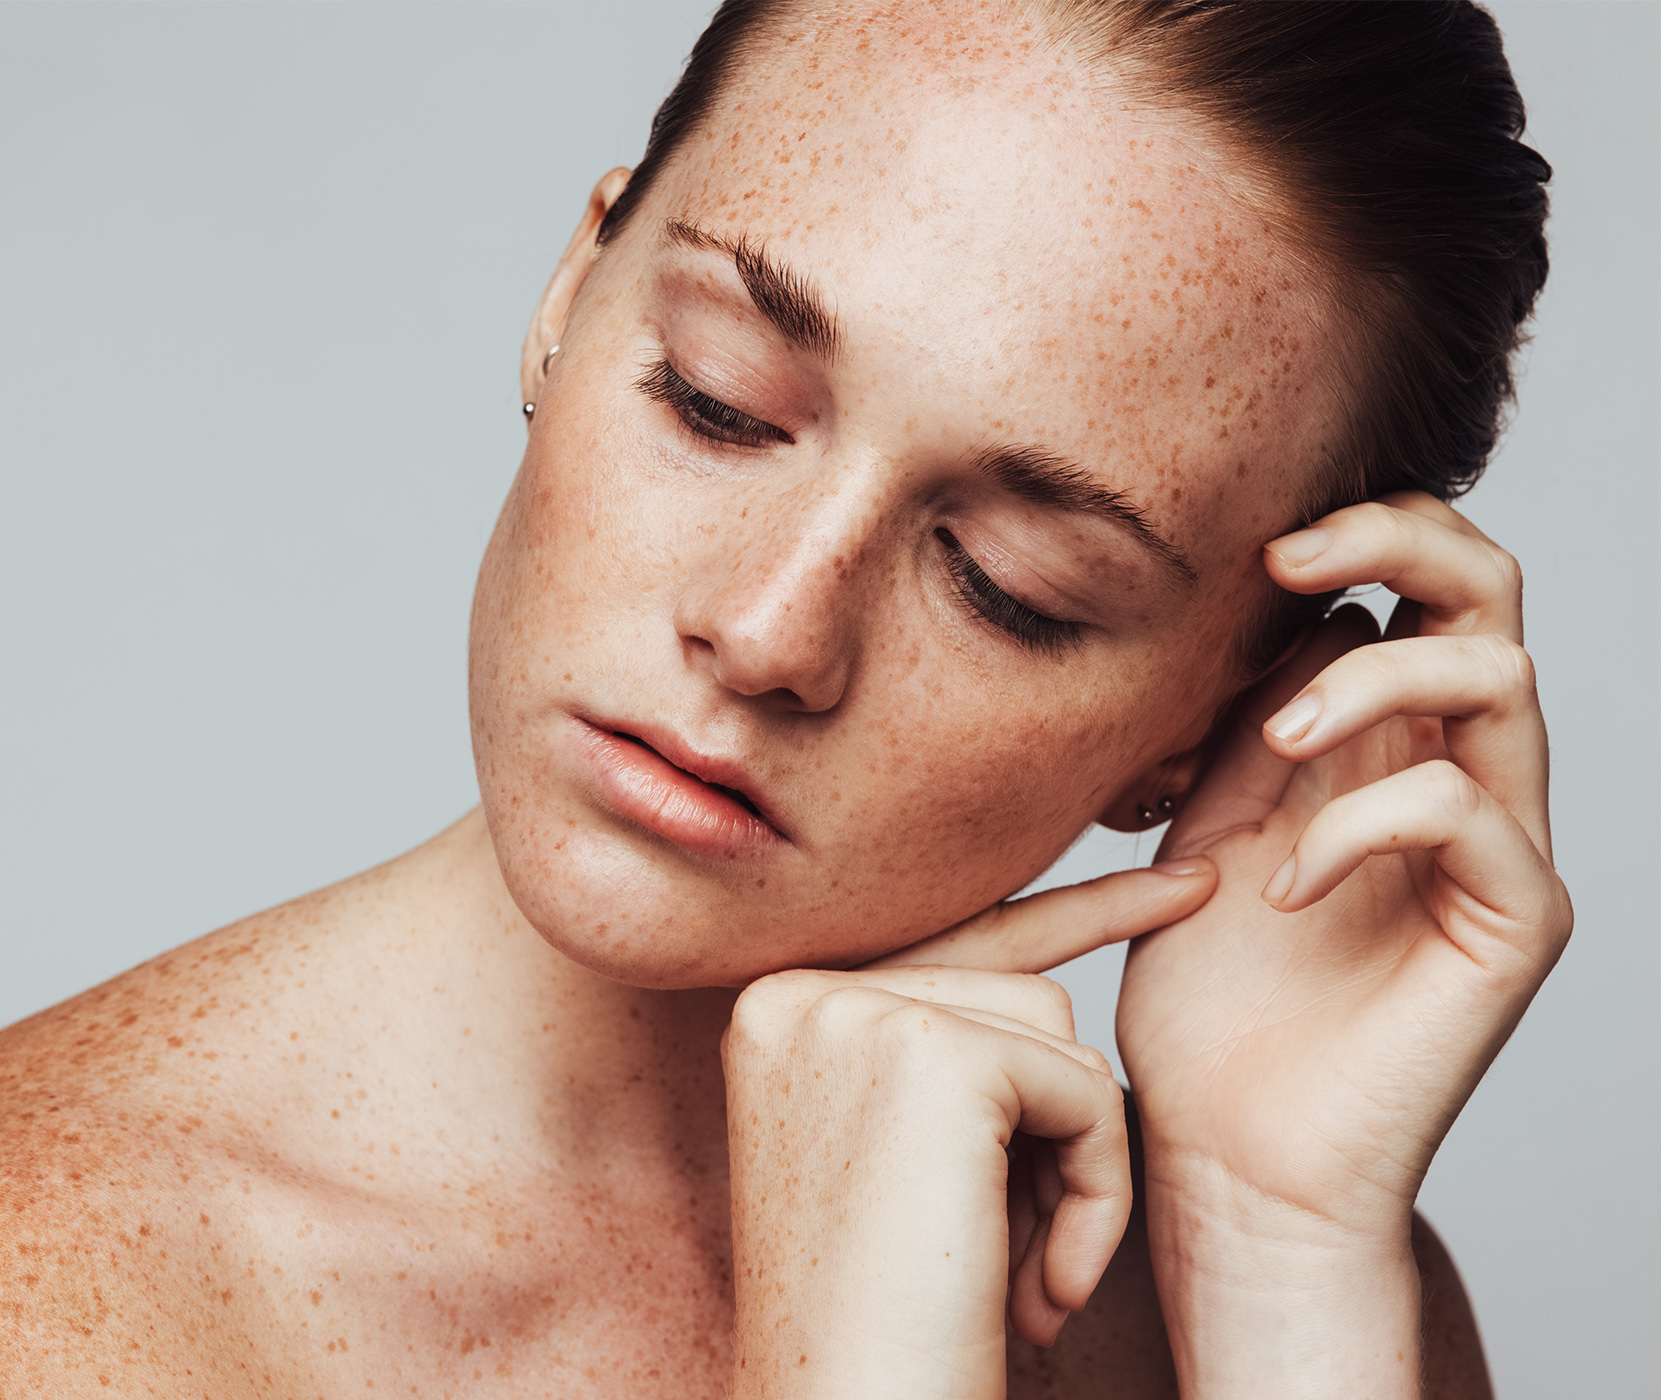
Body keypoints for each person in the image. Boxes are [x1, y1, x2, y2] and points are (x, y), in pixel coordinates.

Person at [0, 1, 1566, 1395]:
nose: (767, 634)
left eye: (1010, 583)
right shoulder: (46, 1286)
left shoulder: (1291, 1309)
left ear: (1214, 715)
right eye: (717, 400)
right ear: (571, 292)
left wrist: (1270, 1253)